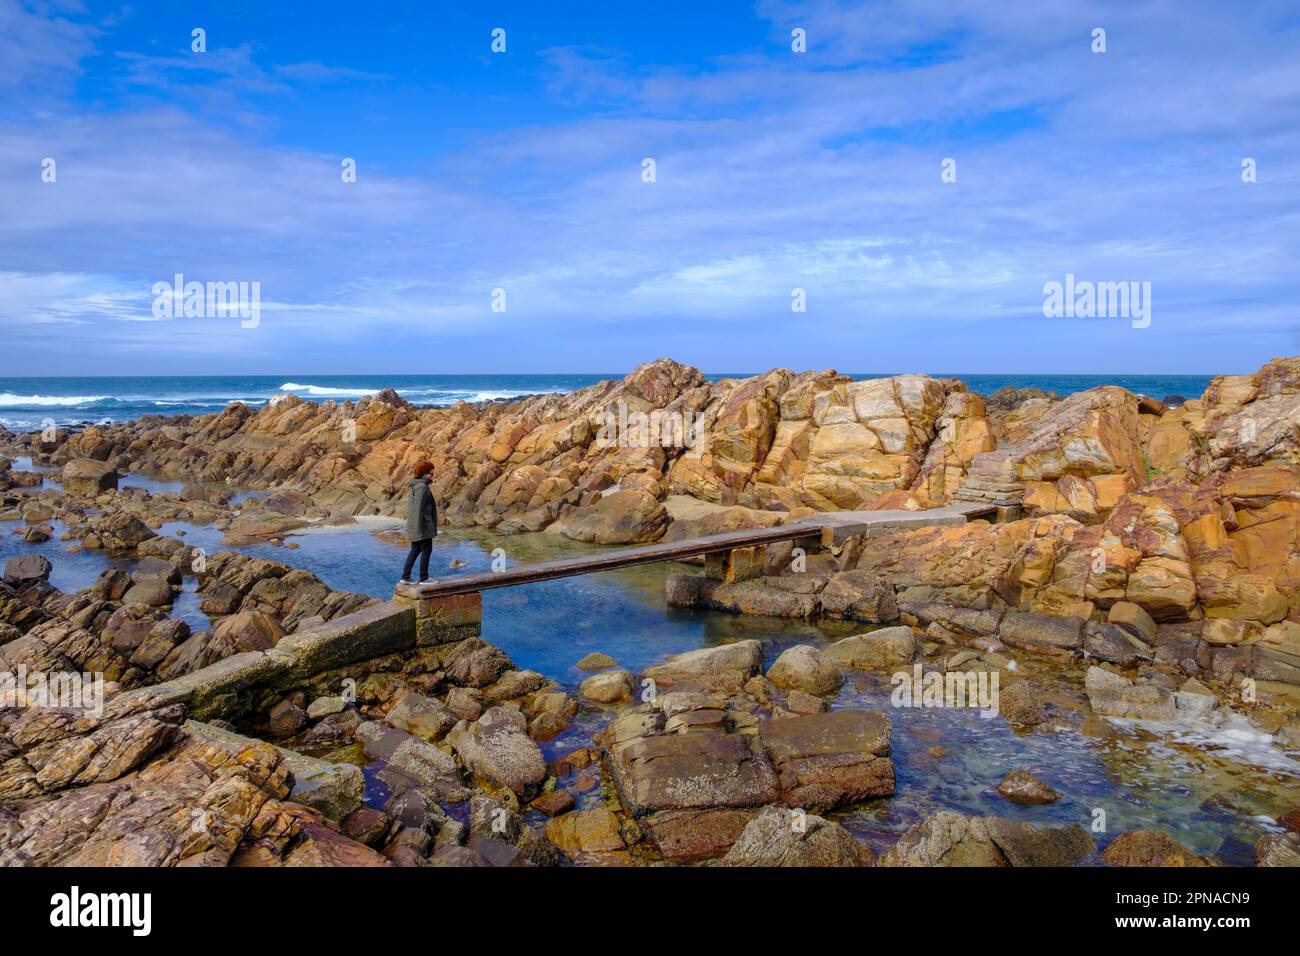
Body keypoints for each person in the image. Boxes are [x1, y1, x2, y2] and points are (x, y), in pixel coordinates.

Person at [400, 460, 438, 584]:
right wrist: (418, 529)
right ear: (424, 474)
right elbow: (418, 509)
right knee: (426, 550)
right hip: (423, 526)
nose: (433, 476)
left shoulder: (417, 485)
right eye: (431, 474)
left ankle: (405, 577)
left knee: (415, 550)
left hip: (419, 525)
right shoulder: (422, 487)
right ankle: (424, 578)